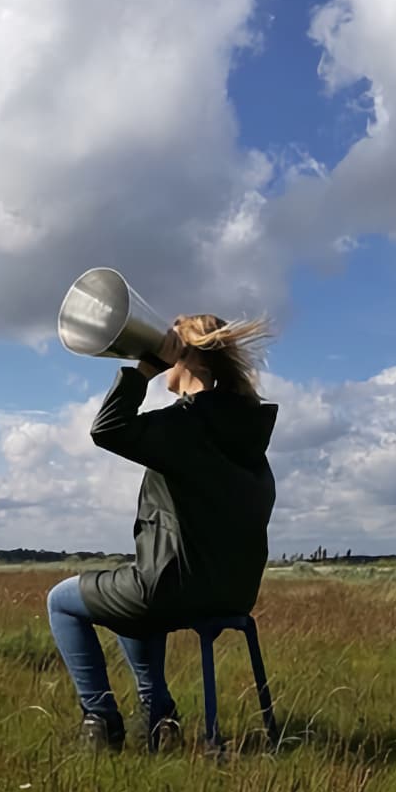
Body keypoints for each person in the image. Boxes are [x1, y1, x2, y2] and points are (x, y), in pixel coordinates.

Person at [46, 313, 278, 752]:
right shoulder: (243, 431)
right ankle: (158, 719)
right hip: (232, 593)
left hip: (173, 588)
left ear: (186, 356)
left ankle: (102, 720)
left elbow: (107, 429)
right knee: (134, 595)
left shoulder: (189, 423)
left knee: (61, 601)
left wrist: (145, 371)